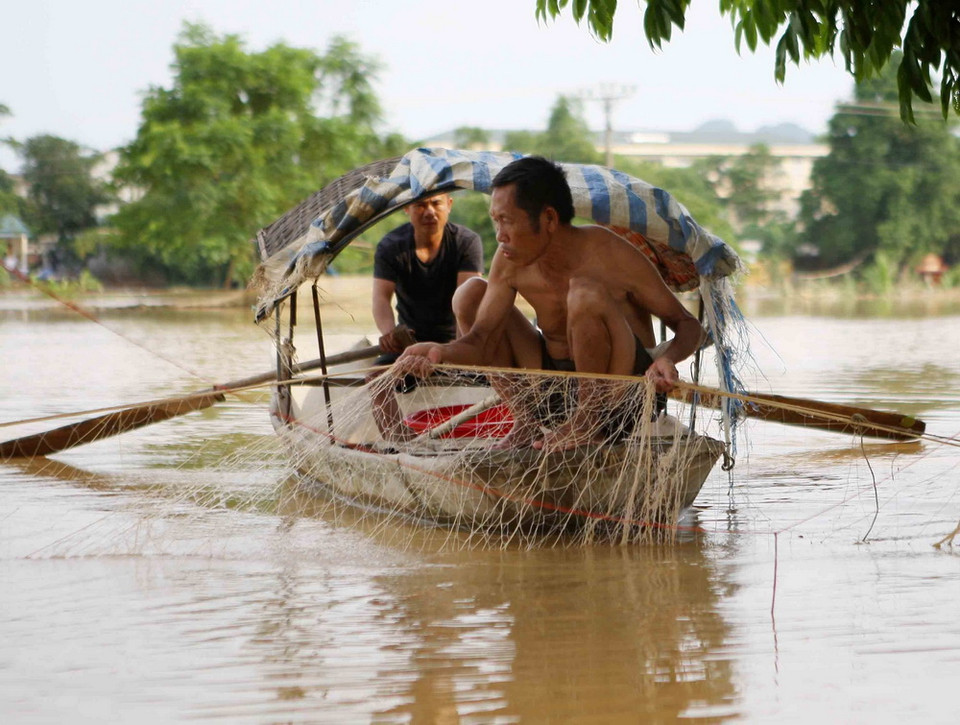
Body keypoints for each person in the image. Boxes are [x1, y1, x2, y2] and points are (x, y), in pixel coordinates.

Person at [393, 156, 706, 452]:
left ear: (549, 219)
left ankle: (587, 421)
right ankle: (526, 422)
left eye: (506, 221)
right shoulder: (509, 260)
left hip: (620, 396)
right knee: (471, 292)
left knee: (584, 292)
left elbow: (687, 324)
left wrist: (668, 361)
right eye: (495, 222)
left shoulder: (609, 252)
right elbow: (481, 341)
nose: (500, 236)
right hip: (552, 392)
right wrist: (438, 352)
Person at [372, 193, 484, 364]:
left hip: (457, 339)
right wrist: (390, 334)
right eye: (420, 205)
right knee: (375, 378)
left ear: (449, 205)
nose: (429, 212)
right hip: (409, 343)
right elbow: (380, 297)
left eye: (436, 203)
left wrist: (455, 349)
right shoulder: (390, 246)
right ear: (407, 208)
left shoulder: (466, 242)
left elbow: (469, 300)